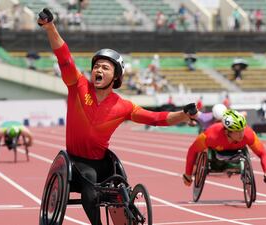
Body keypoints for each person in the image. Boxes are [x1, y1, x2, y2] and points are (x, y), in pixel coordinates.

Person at [37, 8, 198, 225]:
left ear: (116, 77)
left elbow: (157, 118)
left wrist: (184, 114)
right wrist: (50, 27)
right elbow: (64, 58)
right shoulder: (78, 85)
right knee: (91, 187)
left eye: (105, 67)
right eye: (96, 66)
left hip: (102, 163)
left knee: (120, 187)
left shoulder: (124, 106)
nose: (98, 70)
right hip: (76, 163)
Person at [182, 109, 266, 187]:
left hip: (238, 151)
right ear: (227, 132)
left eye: (242, 129)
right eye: (237, 131)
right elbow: (192, 150)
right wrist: (188, 174)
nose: (241, 134)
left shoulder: (249, 134)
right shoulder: (210, 136)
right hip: (217, 153)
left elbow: (263, 154)